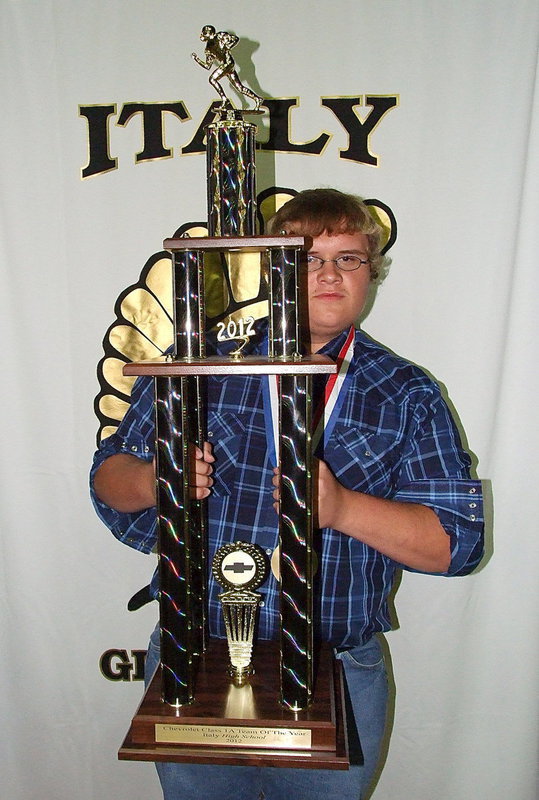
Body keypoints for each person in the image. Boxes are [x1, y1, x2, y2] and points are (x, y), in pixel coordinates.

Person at [91, 188, 484, 800]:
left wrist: (343, 508)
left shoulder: (406, 393)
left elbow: (455, 546)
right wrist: (154, 480)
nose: (328, 273)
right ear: (273, 269)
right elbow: (106, 480)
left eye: (348, 258)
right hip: (194, 656)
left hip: (337, 667)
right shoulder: (198, 363)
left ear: (370, 273)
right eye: (305, 257)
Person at [191, 25, 263, 111]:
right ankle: (257, 99)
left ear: (211, 33)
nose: (202, 36)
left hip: (228, 63)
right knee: (239, 88)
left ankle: (224, 99)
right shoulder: (208, 49)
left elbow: (236, 39)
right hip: (227, 66)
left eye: (205, 34)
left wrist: (228, 46)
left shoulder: (220, 36)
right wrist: (197, 59)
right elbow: (207, 66)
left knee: (212, 79)